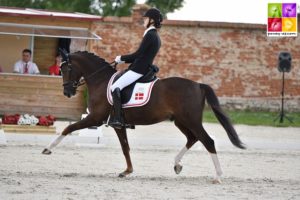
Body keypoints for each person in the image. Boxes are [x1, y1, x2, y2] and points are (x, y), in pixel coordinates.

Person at [109, 8, 163, 129]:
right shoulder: (155, 35)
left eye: (146, 18)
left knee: (115, 87)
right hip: (142, 68)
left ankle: (118, 119)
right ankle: (128, 118)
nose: (144, 21)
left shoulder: (150, 34)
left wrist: (121, 58)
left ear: (152, 20)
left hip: (138, 70)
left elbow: (138, 54)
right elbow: (142, 55)